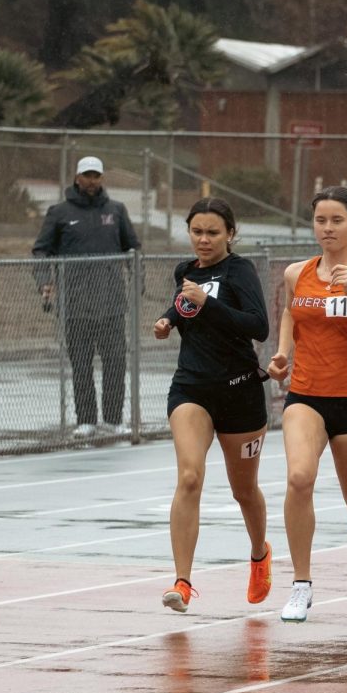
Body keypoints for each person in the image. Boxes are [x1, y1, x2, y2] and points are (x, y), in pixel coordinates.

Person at [268, 186, 347, 643]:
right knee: (299, 478)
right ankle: (301, 582)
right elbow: (291, 317)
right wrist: (283, 353)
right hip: (306, 395)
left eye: (336, 221)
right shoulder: (295, 273)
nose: (327, 229)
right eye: (320, 220)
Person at [152, 198, 271, 613]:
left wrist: (209, 303)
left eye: (213, 233)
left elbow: (258, 325)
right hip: (192, 390)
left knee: (244, 490)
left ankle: (259, 553)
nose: (204, 240)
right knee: (188, 477)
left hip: (240, 393)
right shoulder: (185, 272)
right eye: (197, 232)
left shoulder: (241, 272)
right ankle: (182, 581)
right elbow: (186, 306)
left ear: (230, 235)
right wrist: (169, 319)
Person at [31, 156, 141, 437]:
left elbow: (133, 248)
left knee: (115, 363)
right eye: (87, 175)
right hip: (75, 305)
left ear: (102, 178)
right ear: (77, 177)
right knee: (81, 365)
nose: (92, 181)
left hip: (112, 303)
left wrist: (137, 277)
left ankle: (115, 420)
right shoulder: (59, 212)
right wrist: (44, 281)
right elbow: (42, 250)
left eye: (96, 175)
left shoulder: (116, 211)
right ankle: (86, 420)